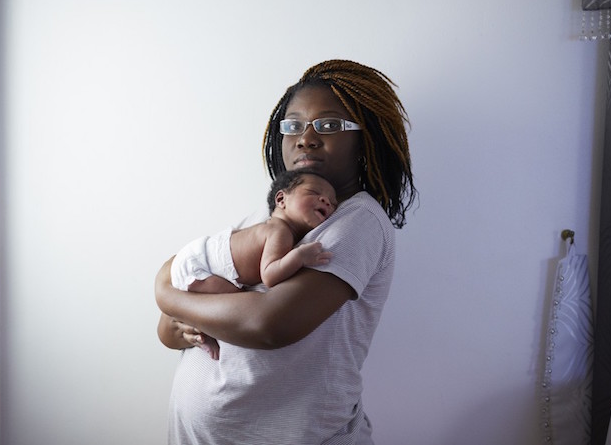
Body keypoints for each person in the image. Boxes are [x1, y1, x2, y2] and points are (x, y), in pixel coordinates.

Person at [154, 59, 417, 444]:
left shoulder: (358, 221)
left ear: (365, 140)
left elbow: (268, 325)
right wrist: (183, 309)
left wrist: (167, 293)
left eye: (328, 126)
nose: (305, 138)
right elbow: (169, 330)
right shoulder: (274, 212)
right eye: (292, 125)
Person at [164, 169, 338, 359]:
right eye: (314, 192)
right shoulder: (280, 232)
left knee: (226, 306)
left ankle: (204, 334)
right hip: (198, 265)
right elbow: (270, 274)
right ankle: (206, 338)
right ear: (281, 200)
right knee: (234, 304)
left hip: (197, 256)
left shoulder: (272, 228)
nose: (326, 201)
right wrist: (300, 257)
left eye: (333, 203)